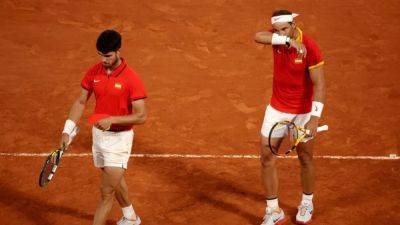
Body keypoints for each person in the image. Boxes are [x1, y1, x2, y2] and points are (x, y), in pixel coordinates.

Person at [60, 29, 147, 225]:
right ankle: (131, 218)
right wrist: (68, 130)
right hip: (98, 135)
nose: (104, 60)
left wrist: (113, 120)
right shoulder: (94, 72)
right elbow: (81, 101)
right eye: (100, 55)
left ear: (118, 51)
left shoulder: (131, 78)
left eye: (107, 56)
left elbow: (142, 116)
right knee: (114, 180)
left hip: (119, 140)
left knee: (106, 193)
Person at [254, 9, 326, 225]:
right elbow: (258, 36)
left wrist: (314, 119)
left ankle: (307, 201)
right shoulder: (279, 38)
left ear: (294, 24)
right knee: (266, 157)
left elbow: (320, 84)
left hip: (303, 112)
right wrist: (286, 41)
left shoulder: (311, 47)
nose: (280, 32)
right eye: (277, 30)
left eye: (285, 28)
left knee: (305, 157)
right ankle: (273, 210)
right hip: (276, 108)